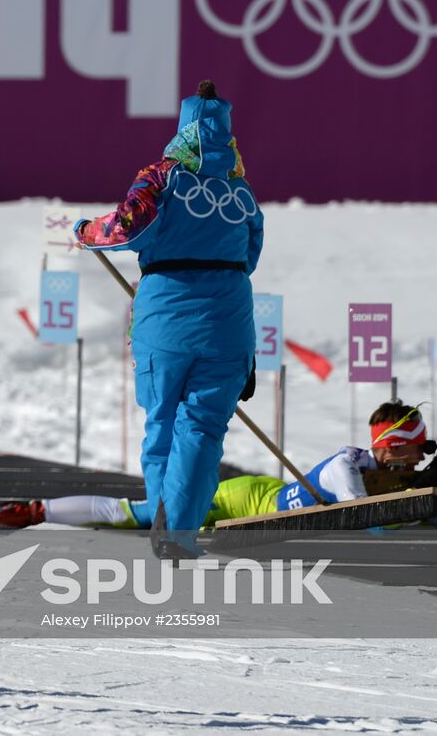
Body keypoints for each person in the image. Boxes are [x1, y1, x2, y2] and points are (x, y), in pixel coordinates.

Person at [74, 80, 264, 559]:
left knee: (161, 424)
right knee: (201, 429)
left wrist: (83, 232)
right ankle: (178, 531)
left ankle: (166, 522)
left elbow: (121, 229)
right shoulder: (240, 189)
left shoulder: (161, 177)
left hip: (167, 322)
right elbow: (251, 253)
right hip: (229, 324)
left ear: (182, 128)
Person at [0, 403, 437, 533]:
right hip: (242, 502)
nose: (422, 459)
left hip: (273, 495)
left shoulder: (396, 470)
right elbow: (366, 517)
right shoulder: (347, 467)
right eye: (415, 451)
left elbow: (424, 515)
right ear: (391, 449)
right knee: (140, 514)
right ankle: (33, 511)